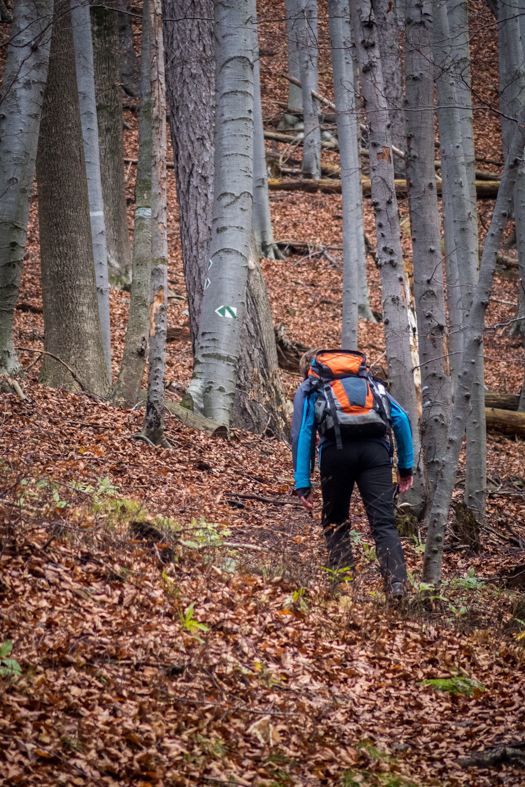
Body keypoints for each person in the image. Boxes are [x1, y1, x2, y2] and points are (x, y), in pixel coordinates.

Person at [291, 349, 414, 600]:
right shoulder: (368, 383)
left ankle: (344, 585)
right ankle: (397, 584)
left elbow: (302, 433)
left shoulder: (312, 385)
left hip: (335, 453)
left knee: (336, 521)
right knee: (383, 523)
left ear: (310, 368)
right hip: (376, 454)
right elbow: (401, 418)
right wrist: (405, 468)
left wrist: (302, 482)